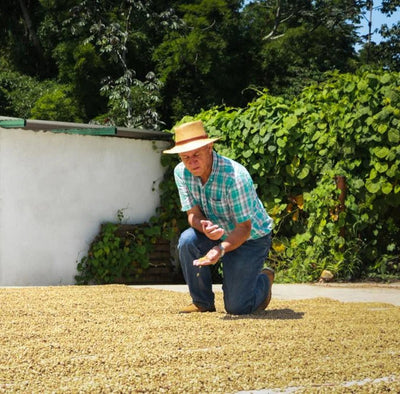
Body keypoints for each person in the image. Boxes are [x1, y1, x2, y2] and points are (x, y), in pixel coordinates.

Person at [164, 120, 274, 315]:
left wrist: (220, 249)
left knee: (237, 308)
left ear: (209, 147)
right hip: (217, 233)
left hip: (251, 237)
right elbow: (192, 215)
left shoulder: (236, 176)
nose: (191, 162)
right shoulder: (180, 172)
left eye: (196, 154)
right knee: (187, 240)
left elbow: (244, 228)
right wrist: (203, 227)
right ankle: (202, 302)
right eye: (185, 157)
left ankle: (264, 279)